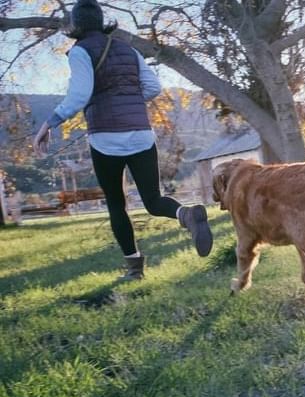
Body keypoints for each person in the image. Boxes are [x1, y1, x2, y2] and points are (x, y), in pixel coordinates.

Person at [33, 0, 212, 281]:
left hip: (106, 139)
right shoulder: (127, 49)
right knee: (153, 200)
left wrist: (49, 123)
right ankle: (186, 215)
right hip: (141, 134)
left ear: (76, 25)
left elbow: (80, 95)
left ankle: (134, 269)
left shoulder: (80, 51)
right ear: (102, 21)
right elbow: (153, 87)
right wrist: (126, 100)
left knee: (117, 204)